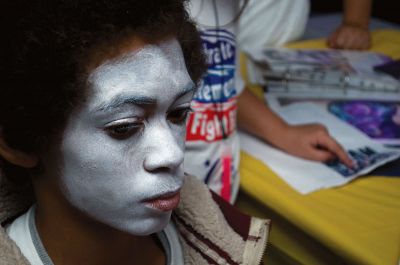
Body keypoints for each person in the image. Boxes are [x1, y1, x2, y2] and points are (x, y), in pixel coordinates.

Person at [0, 1, 269, 264]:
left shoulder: (233, 246)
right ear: (20, 143)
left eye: (178, 113)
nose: (172, 155)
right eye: (123, 128)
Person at [185, 0, 362, 202]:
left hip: (213, 196)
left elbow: (223, 80)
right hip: (169, 204)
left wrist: (283, 132)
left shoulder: (227, 7)